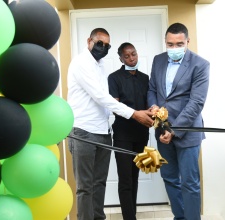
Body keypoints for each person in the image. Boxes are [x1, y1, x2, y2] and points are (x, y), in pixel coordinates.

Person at [67, 28, 153, 220]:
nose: (103, 48)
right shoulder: (81, 63)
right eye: (99, 44)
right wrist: (134, 114)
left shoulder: (101, 66)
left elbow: (106, 100)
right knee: (85, 187)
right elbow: (100, 97)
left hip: (103, 131)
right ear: (89, 41)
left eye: (107, 45)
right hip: (83, 131)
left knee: (99, 183)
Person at [148, 23, 210, 220]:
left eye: (179, 44)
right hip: (161, 131)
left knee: (189, 183)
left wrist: (174, 130)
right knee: (169, 178)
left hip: (187, 132)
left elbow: (196, 102)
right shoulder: (158, 60)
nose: (174, 48)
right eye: (170, 44)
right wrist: (153, 106)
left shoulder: (200, 65)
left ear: (187, 42)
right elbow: (152, 89)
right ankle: (180, 217)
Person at [108, 42, 149, 220]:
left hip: (141, 135)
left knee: (135, 176)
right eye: (127, 56)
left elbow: (150, 104)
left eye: (133, 54)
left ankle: (132, 215)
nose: (131, 58)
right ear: (120, 59)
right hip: (122, 136)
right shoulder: (114, 78)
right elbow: (115, 107)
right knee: (125, 180)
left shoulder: (145, 78)